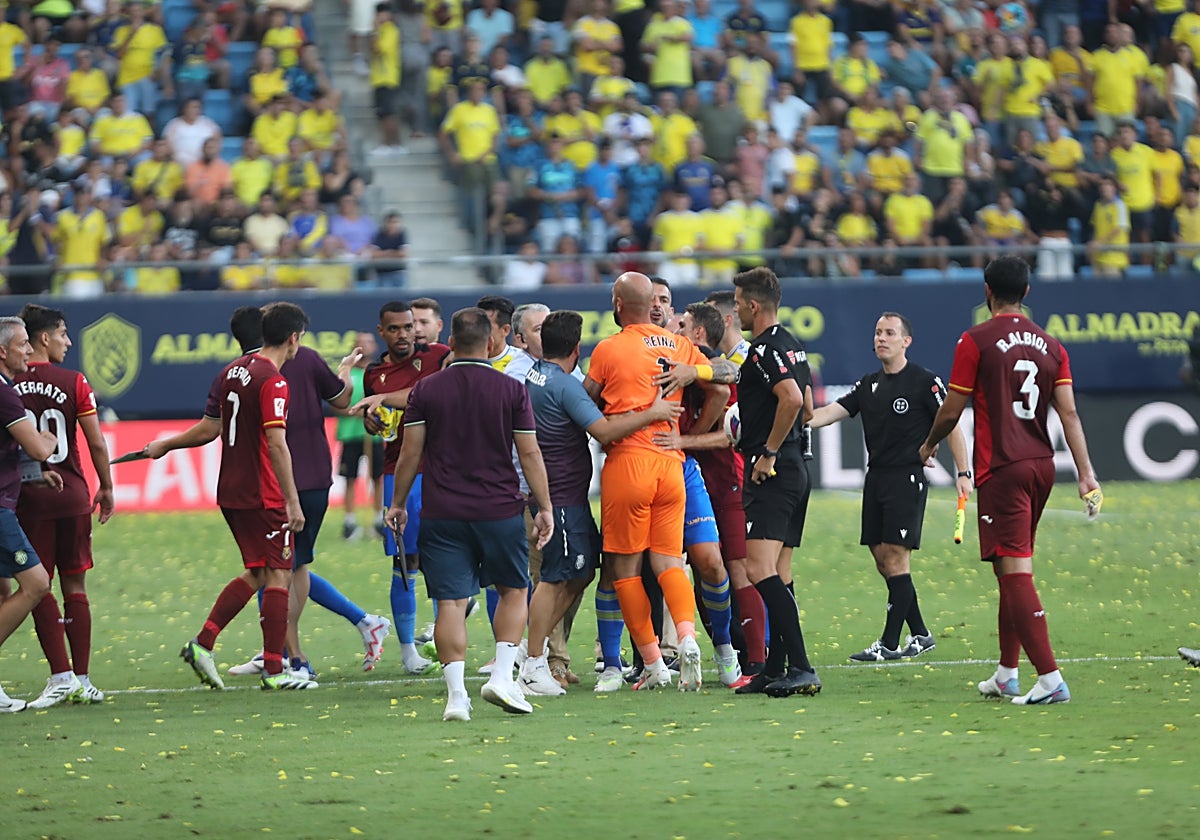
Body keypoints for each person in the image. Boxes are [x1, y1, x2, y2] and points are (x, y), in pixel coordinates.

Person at [919, 256, 1102, 705]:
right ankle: (1006, 673)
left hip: (1004, 467)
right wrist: (1086, 474)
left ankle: (1050, 678)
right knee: (1007, 565)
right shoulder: (1051, 345)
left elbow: (952, 407)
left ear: (986, 290)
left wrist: (928, 444)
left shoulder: (975, 339)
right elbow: (1070, 413)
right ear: (1027, 292)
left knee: (1016, 569)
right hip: (1042, 464)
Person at [657, 267, 822, 697]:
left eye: (736, 301)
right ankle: (774, 668)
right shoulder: (792, 345)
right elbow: (805, 406)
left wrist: (766, 451)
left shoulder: (765, 350)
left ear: (751, 305)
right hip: (795, 467)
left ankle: (800, 666)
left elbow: (789, 399)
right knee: (779, 574)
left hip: (773, 469)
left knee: (756, 569)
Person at [386, 307, 554, 721]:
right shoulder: (510, 391)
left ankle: (456, 697)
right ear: (492, 343)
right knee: (514, 590)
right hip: (498, 509)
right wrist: (544, 504)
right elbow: (529, 452)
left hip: (442, 511)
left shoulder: (426, 390)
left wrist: (397, 503)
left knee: (450, 602)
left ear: (453, 343)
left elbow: (410, 453)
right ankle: (501, 675)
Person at [520, 310, 681, 695]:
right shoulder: (564, 386)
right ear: (577, 348)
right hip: (559, 497)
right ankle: (531, 662)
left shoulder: (535, 376)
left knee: (582, 571)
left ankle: (532, 654)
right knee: (555, 578)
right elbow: (604, 430)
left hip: (562, 495)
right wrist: (652, 412)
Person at [585, 272, 730, 692]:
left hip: (629, 461)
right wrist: (694, 370)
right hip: (671, 463)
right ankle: (686, 635)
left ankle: (653, 662)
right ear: (652, 305)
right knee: (669, 562)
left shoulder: (609, 349)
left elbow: (586, 398)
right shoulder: (679, 344)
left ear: (617, 304)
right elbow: (726, 373)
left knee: (625, 570)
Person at [808, 312, 972, 662]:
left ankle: (889, 643)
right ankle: (922, 634)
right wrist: (798, 415)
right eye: (878, 332)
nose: (882, 338)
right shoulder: (868, 384)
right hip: (877, 478)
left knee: (896, 559)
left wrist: (964, 472)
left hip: (906, 477)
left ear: (906, 341)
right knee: (883, 560)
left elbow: (952, 423)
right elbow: (826, 414)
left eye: (890, 333)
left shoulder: (924, 381)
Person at [177, 303, 317, 690]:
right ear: (293, 338)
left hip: (231, 488)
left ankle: (203, 644)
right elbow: (276, 442)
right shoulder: (274, 381)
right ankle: (275, 671)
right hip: (263, 492)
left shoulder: (231, 371)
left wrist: (166, 445)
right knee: (278, 573)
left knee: (258, 569)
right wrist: (292, 499)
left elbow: (212, 428)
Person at [15, 305, 114, 709]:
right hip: (72, 494)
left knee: (37, 587)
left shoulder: (10, 383)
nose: (67, 342)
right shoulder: (74, 381)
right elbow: (94, 441)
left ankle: (61, 676)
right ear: (43, 338)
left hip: (27, 498)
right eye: (62, 334)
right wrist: (106, 486)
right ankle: (84, 679)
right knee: (75, 586)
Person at [356, 302, 452, 675]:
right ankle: (409, 649)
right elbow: (371, 420)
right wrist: (374, 420)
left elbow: (427, 393)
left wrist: (384, 399)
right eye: (394, 329)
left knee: (446, 557)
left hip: (443, 469)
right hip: (400, 472)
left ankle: (449, 639)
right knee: (404, 561)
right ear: (382, 331)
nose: (403, 334)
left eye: (408, 327)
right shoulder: (374, 374)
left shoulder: (440, 357)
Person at [0, 316, 62, 713]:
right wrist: (49, 438)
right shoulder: (6, 394)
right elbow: (40, 448)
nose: (29, 350)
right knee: (37, 583)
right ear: (2, 351)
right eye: (23, 344)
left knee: (2, 593)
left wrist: (31, 476)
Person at [338, 331, 385, 540]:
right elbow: (337, 405)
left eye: (368, 342)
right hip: (350, 434)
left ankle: (378, 521)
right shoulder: (346, 373)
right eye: (360, 343)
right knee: (349, 478)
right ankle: (350, 522)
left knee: (378, 477)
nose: (364, 347)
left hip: (374, 435)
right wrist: (357, 412)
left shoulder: (380, 373)